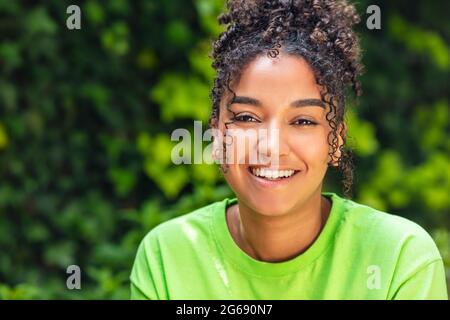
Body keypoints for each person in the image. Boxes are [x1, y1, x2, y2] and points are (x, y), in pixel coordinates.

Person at [130, 0, 448, 299]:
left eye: (303, 121)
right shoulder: (167, 257)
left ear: (336, 139)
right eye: (246, 117)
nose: (271, 147)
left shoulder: (399, 257)